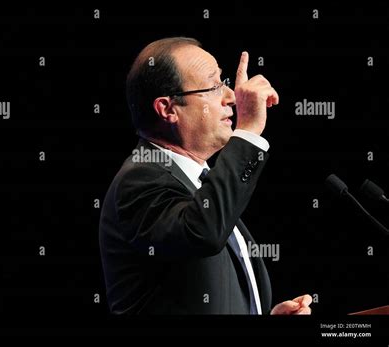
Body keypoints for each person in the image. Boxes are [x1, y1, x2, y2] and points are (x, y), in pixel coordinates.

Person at [99, 37, 312, 314]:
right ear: (168, 109)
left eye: (223, 82)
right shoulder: (139, 179)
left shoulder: (198, 183)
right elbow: (202, 232)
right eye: (213, 86)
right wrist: (246, 132)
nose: (231, 97)